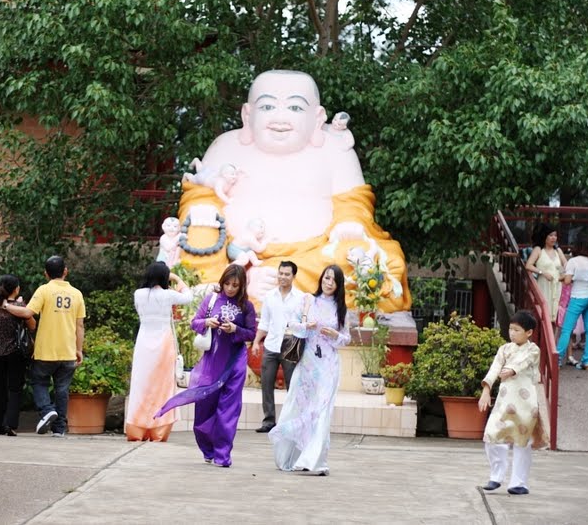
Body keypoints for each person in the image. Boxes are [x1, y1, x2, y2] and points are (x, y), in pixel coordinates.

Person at [176, 69, 410, 309]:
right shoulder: (225, 146)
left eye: (295, 108)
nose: (280, 117)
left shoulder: (335, 150)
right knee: (197, 235)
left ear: (318, 118)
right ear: (248, 115)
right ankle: (238, 283)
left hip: (314, 258)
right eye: (267, 107)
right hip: (236, 256)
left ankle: (276, 283)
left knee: (361, 256)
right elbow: (199, 199)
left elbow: (354, 204)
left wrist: (348, 223)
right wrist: (237, 268)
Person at [155, 263, 256, 467]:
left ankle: (222, 455)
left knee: (228, 409)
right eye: (227, 283)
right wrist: (206, 322)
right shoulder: (212, 299)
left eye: (235, 285)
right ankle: (208, 449)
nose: (230, 288)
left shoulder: (247, 306)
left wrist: (235, 329)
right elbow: (195, 322)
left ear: (241, 285)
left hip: (234, 362)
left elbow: (252, 333)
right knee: (204, 408)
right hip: (211, 362)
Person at [269, 264, 352, 475]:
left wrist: (334, 335)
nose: (329, 283)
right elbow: (292, 324)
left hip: (328, 366)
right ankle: (294, 456)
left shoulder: (342, 310)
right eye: (326, 278)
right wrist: (307, 326)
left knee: (322, 411)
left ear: (338, 284)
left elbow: (346, 339)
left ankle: (316, 461)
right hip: (307, 365)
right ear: (321, 279)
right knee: (300, 407)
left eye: (333, 280)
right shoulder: (308, 301)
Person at [5, 255, 85, 436]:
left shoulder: (44, 290)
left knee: (39, 381)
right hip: (68, 351)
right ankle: (59, 429)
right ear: (66, 271)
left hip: (45, 351)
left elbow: (27, 312)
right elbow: (80, 325)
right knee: (62, 390)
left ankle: (47, 410)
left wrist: (7, 307)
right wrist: (78, 349)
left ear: (45, 273)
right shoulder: (77, 294)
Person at [478, 310, 543, 495]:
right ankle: (496, 476)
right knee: (491, 435)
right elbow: (494, 368)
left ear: (528, 332)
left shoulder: (533, 350)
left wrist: (512, 370)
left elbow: (523, 361)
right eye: (510, 329)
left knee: (523, 442)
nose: (512, 333)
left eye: (517, 330)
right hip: (503, 402)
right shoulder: (504, 349)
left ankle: (519, 483)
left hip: (526, 405)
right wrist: (486, 389)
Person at [125, 262, 192, 442]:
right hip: (163, 345)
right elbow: (189, 297)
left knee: (141, 385)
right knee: (162, 387)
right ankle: (158, 430)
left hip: (143, 344)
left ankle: (137, 429)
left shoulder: (138, 294)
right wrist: (177, 278)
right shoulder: (168, 295)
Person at [251, 260, 305, 433]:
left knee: (292, 384)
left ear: (293, 276)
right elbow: (265, 322)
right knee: (266, 383)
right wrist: (255, 342)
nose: (282, 277)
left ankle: (291, 420)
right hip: (271, 343)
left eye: (287, 274)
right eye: (280, 273)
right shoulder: (269, 296)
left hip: (291, 343)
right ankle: (268, 421)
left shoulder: (301, 298)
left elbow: (304, 324)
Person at [0, 274, 36, 436]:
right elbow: (32, 324)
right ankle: (10, 424)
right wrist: (20, 303)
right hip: (15, 352)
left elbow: (1, 305)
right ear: (16, 289)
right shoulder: (20, 306)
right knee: (14, 389)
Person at [557, 234, 588, 370]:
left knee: (566, 330)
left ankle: (557, 360)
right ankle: (586, 361)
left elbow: (568, 281)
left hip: (577, 298)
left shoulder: (573, 261)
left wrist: (561, 277)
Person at [524, 223, 566, 326]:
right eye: (551, 235)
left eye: (555, 235)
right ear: (545, 236)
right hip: (543, 284)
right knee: (542, 313)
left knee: (556, 316)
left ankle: (552, 341)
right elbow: (528, 265)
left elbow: (565, 265)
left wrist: (562, 274)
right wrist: (542, 272)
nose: (553, 238)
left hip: (556, 285)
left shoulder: (558, 251)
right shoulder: (539, 250)